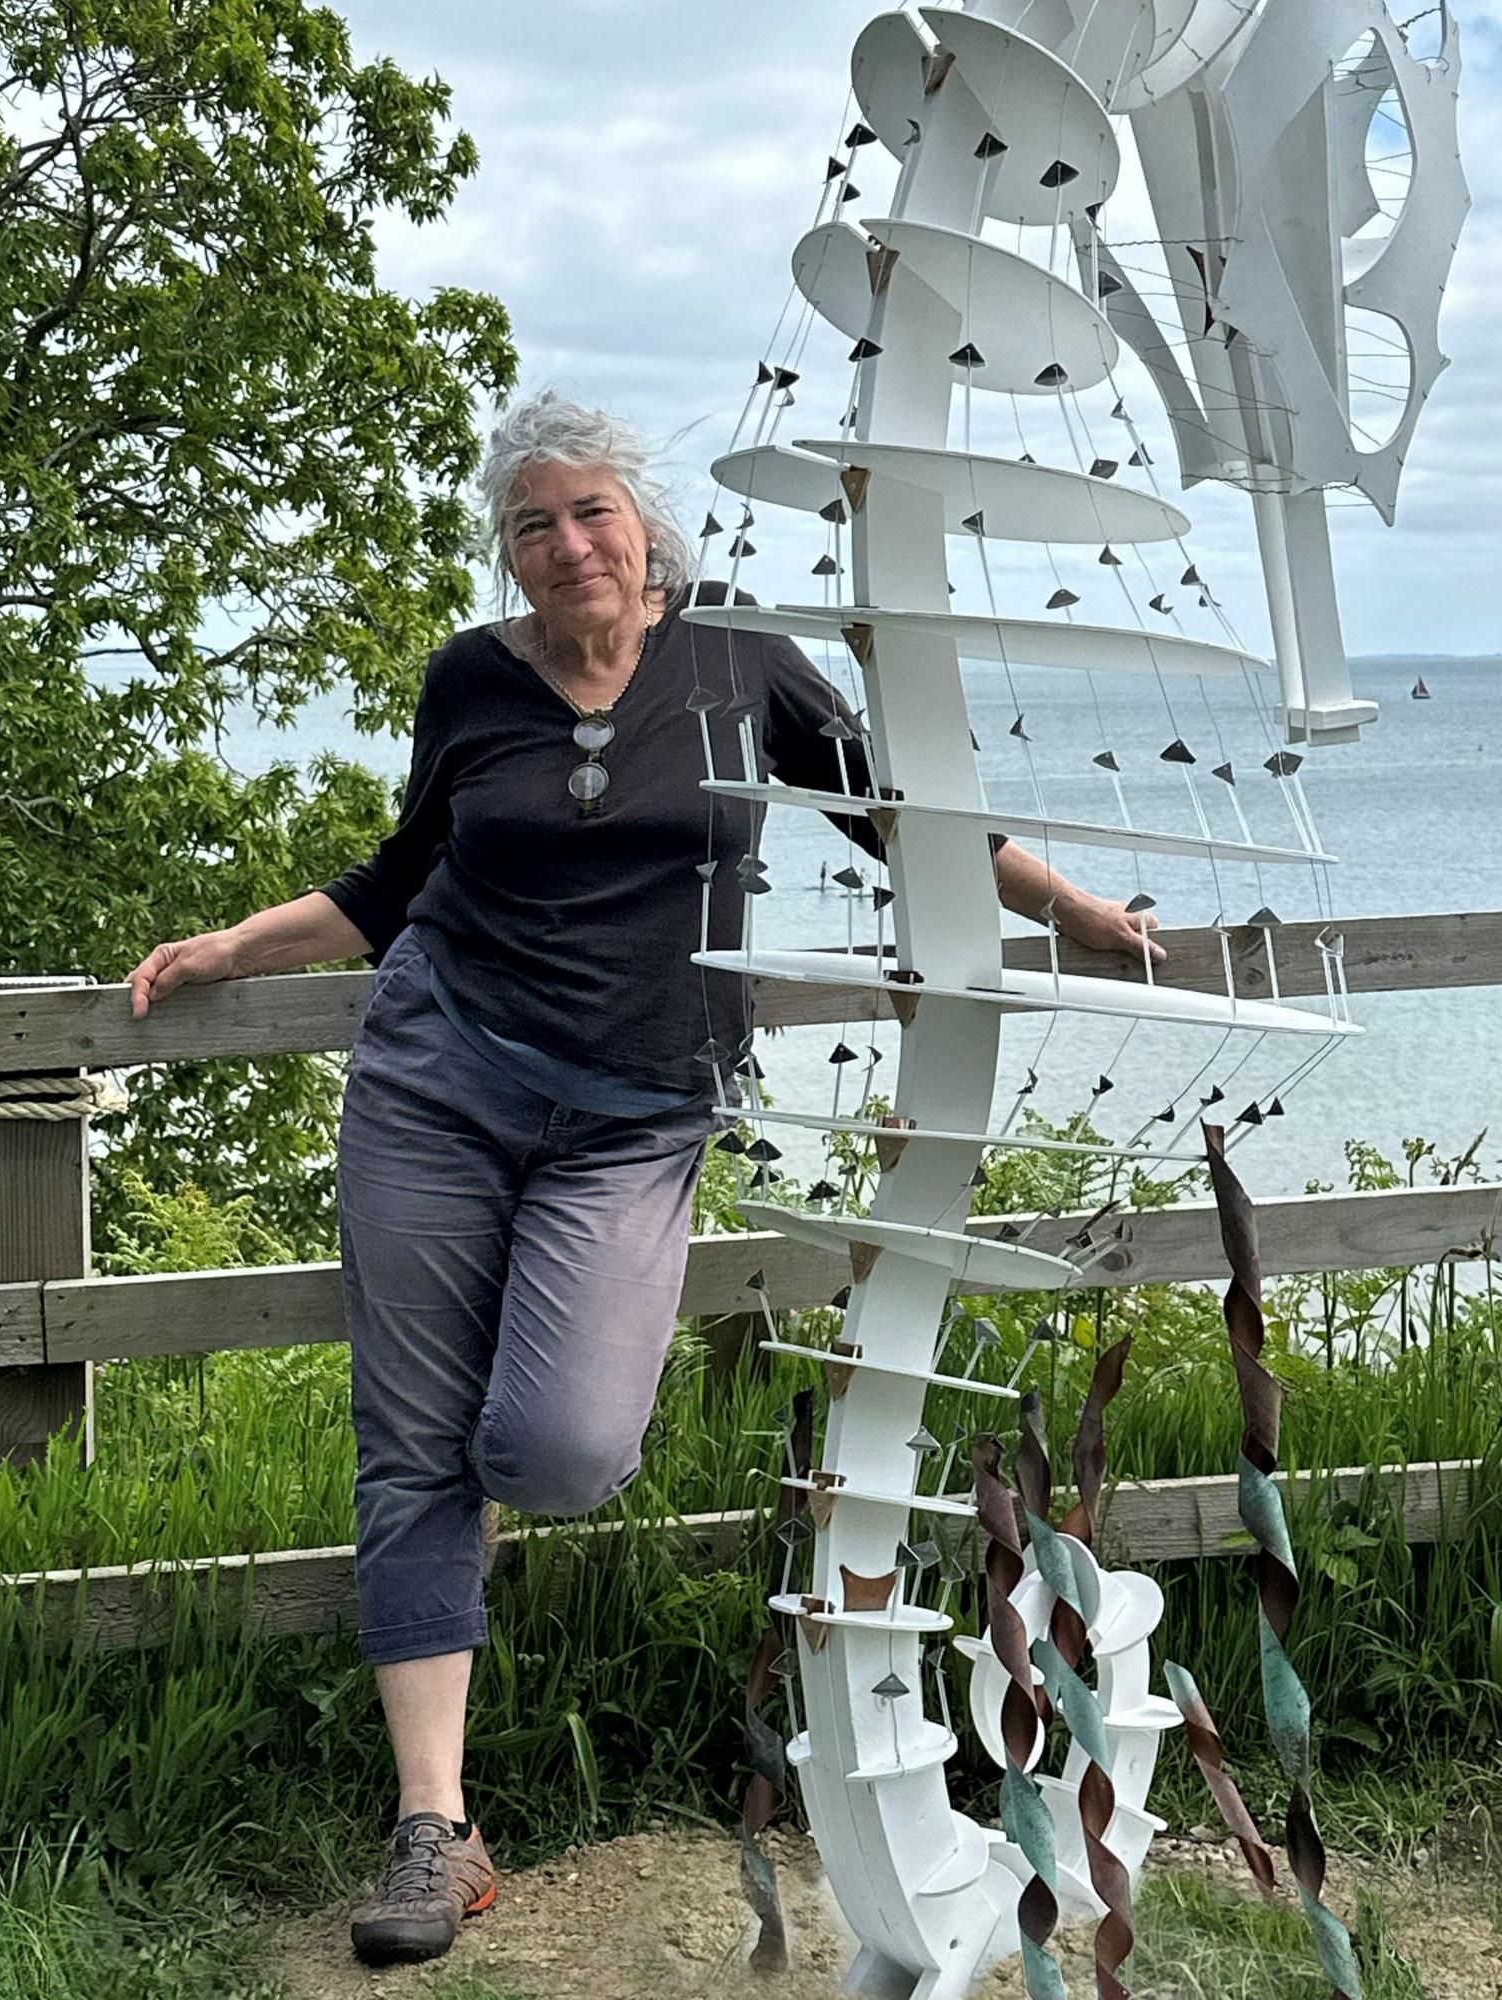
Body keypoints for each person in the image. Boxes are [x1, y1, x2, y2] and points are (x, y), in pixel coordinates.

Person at [126, 394, 1155, 1968]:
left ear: (646, 525)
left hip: (632, 1116)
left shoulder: (736, 661)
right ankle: (432, 1831)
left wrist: (1067, 904)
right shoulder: (471, 679)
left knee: (554, 1446)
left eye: (591, 512)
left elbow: (898, 816)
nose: (568, 545)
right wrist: (232, 948)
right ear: (510, 552)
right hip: (436, 1078)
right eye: (533, 524)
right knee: (409, 1449)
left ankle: (457, 1520)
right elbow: (399, 882)